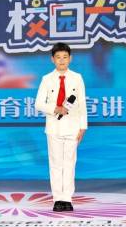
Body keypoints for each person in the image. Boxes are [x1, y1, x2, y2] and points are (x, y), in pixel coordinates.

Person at [35, 42, 87, 212]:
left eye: (65, 57)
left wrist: (83, 126)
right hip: (54, 126)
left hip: (73, 126)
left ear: (70, 58)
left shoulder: (77, 78)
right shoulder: (47, 79)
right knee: (56, 163)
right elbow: (38, 103)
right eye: (58, 57)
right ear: (52, 59)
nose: (62, 60)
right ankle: (58, 199)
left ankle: (67, 198)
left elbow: (82, 104)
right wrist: (56, 108)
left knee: (70, 163)